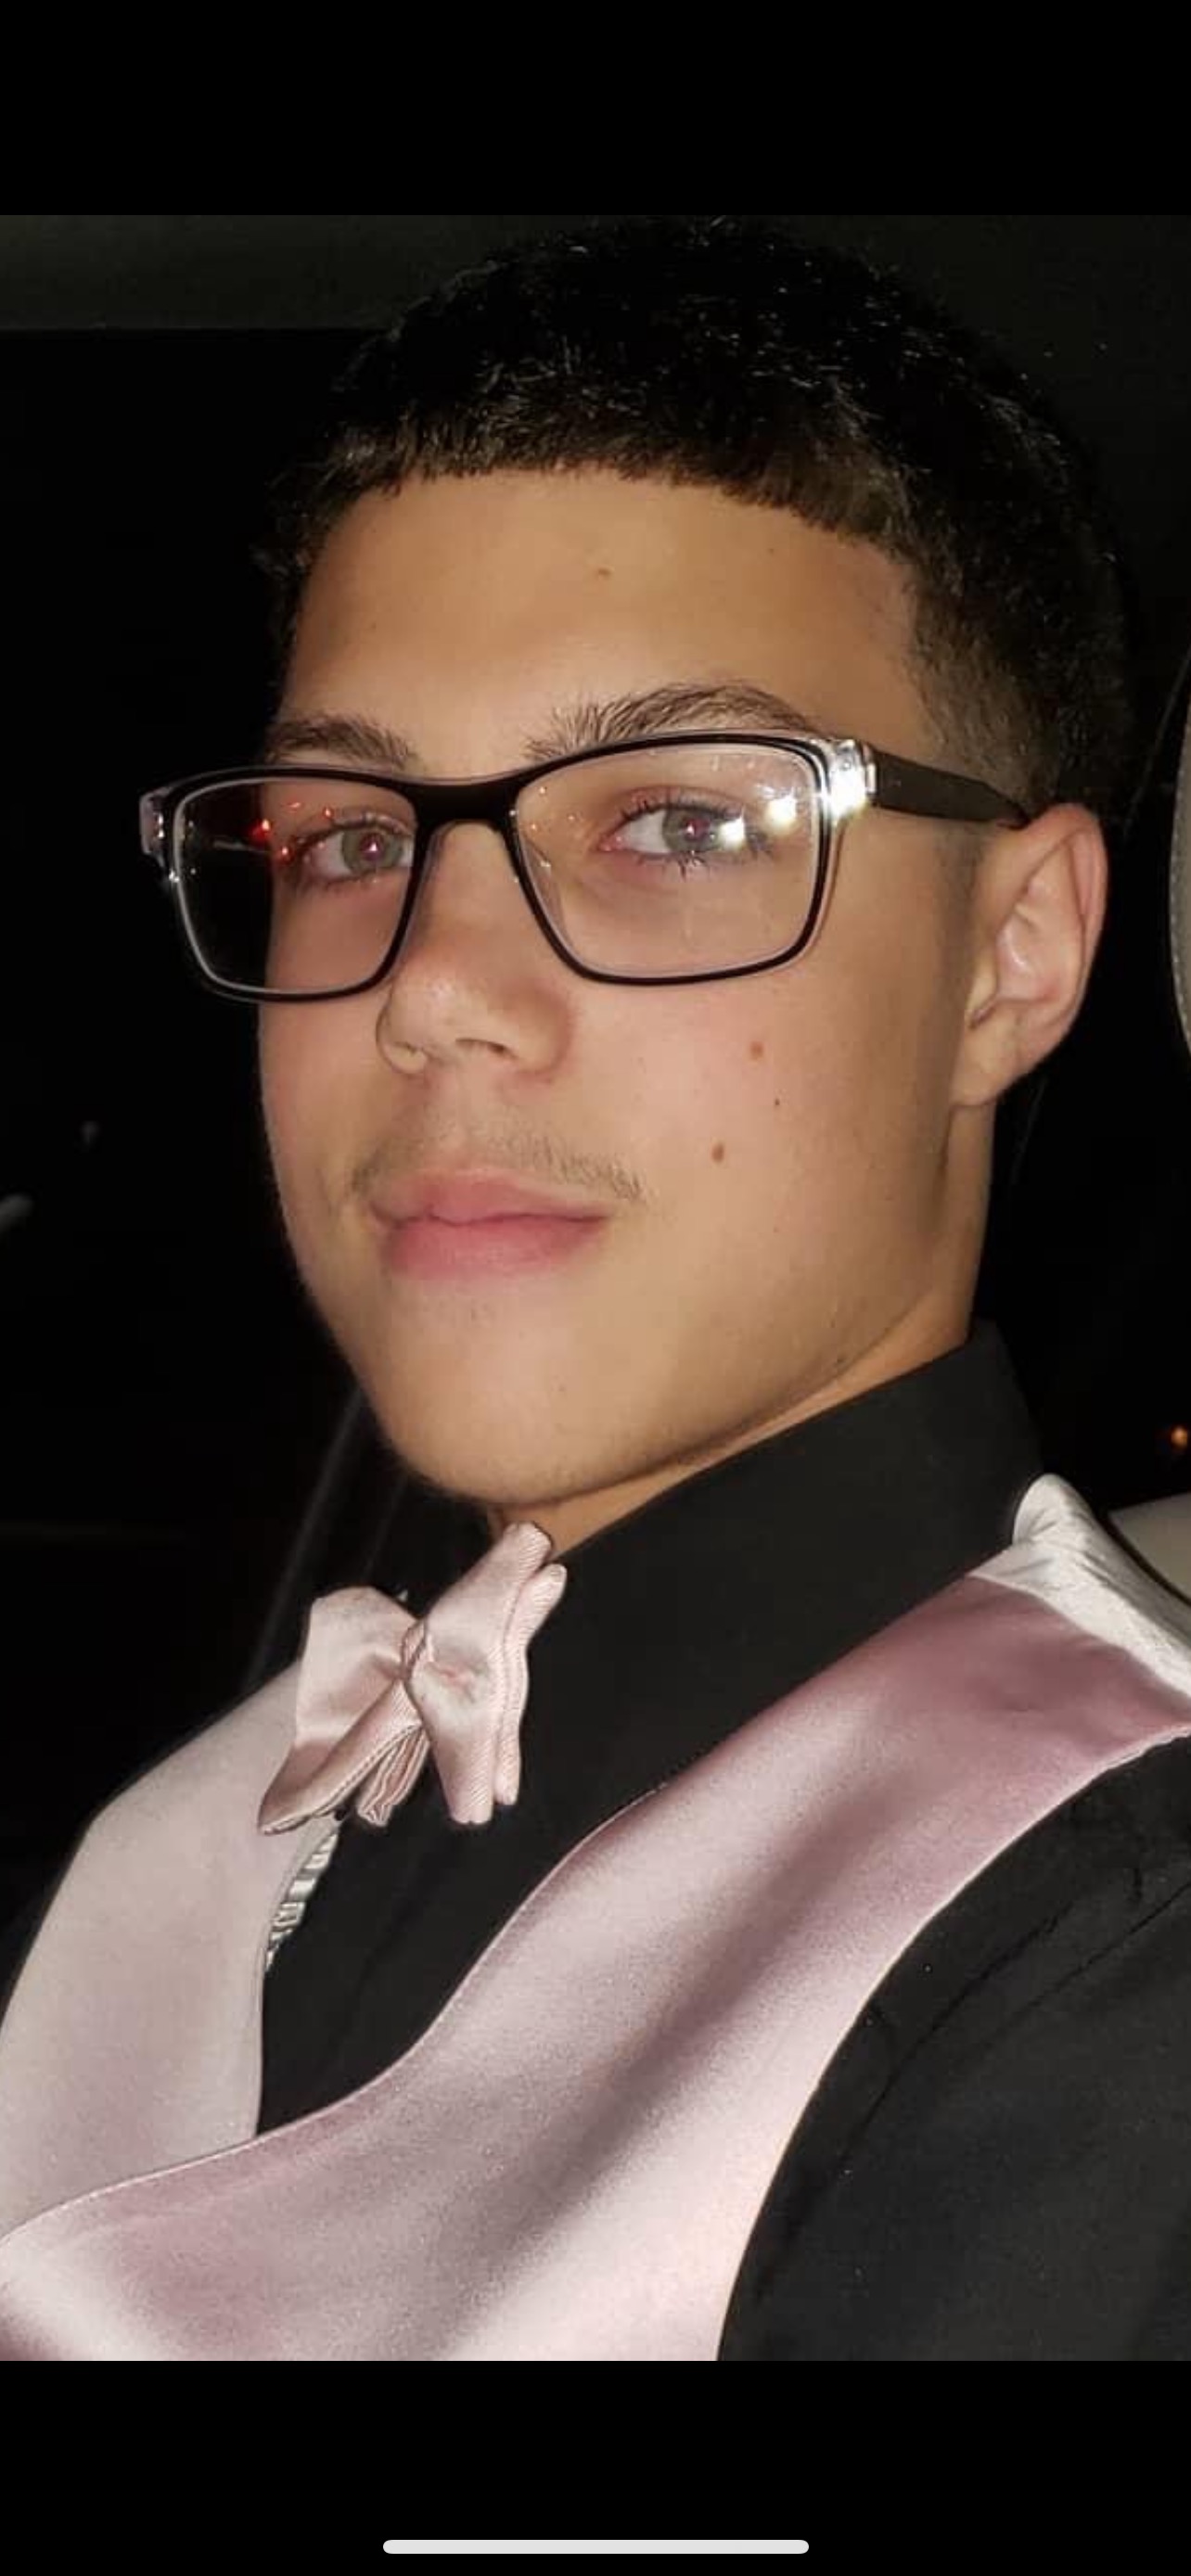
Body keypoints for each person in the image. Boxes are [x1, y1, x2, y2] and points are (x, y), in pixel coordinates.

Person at [2, 213, 1191, 2364]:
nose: (432, 989)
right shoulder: (227, 1812)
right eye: (353, 838)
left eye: (676, 825)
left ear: (1011, 958)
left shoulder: (1112, 1963)